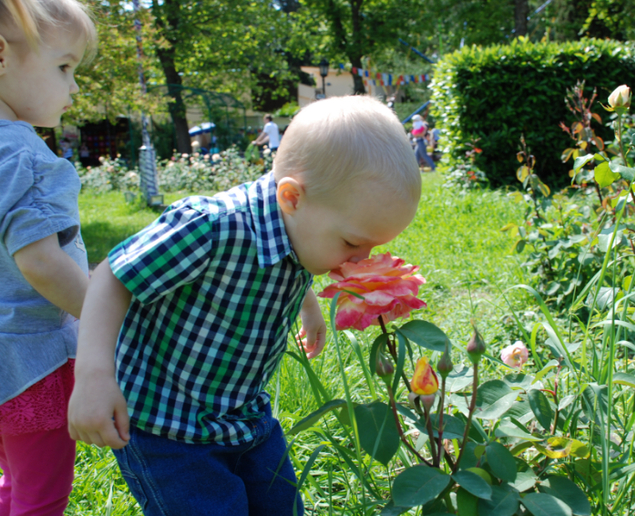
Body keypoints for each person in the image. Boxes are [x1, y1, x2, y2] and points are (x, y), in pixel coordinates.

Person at [67, 95, 421, 516]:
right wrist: (93, 375)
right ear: (292, 198)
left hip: (245, 417)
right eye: (351, 243)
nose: (360, 260)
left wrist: (308, 304)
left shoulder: (303, 227)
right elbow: (112, 277)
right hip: (168, 429)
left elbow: (287, 255)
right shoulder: (209, 228)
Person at [0, 1, 96, 515]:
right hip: (32, 365)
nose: (73, 87)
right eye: (64, 66)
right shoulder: (25, 156)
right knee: (39, 495)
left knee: (13, 481)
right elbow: (39, 262)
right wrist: (106, 314)